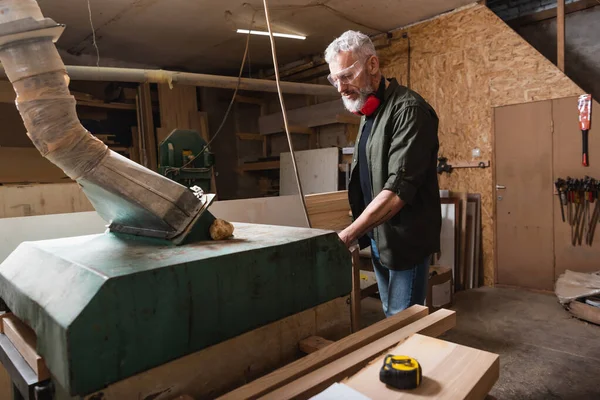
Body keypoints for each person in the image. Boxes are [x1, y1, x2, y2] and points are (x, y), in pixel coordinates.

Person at [324, 30, 442, 318]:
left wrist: (350, 233)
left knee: (403, 319)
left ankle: (409, 363)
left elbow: (397, 190)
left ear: (373, 65)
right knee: (390, 311)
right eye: (335, 79)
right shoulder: (369, 114)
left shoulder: (408, 109)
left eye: (347, 76)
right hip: (379, 236)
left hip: (405, 240)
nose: (341, 88)